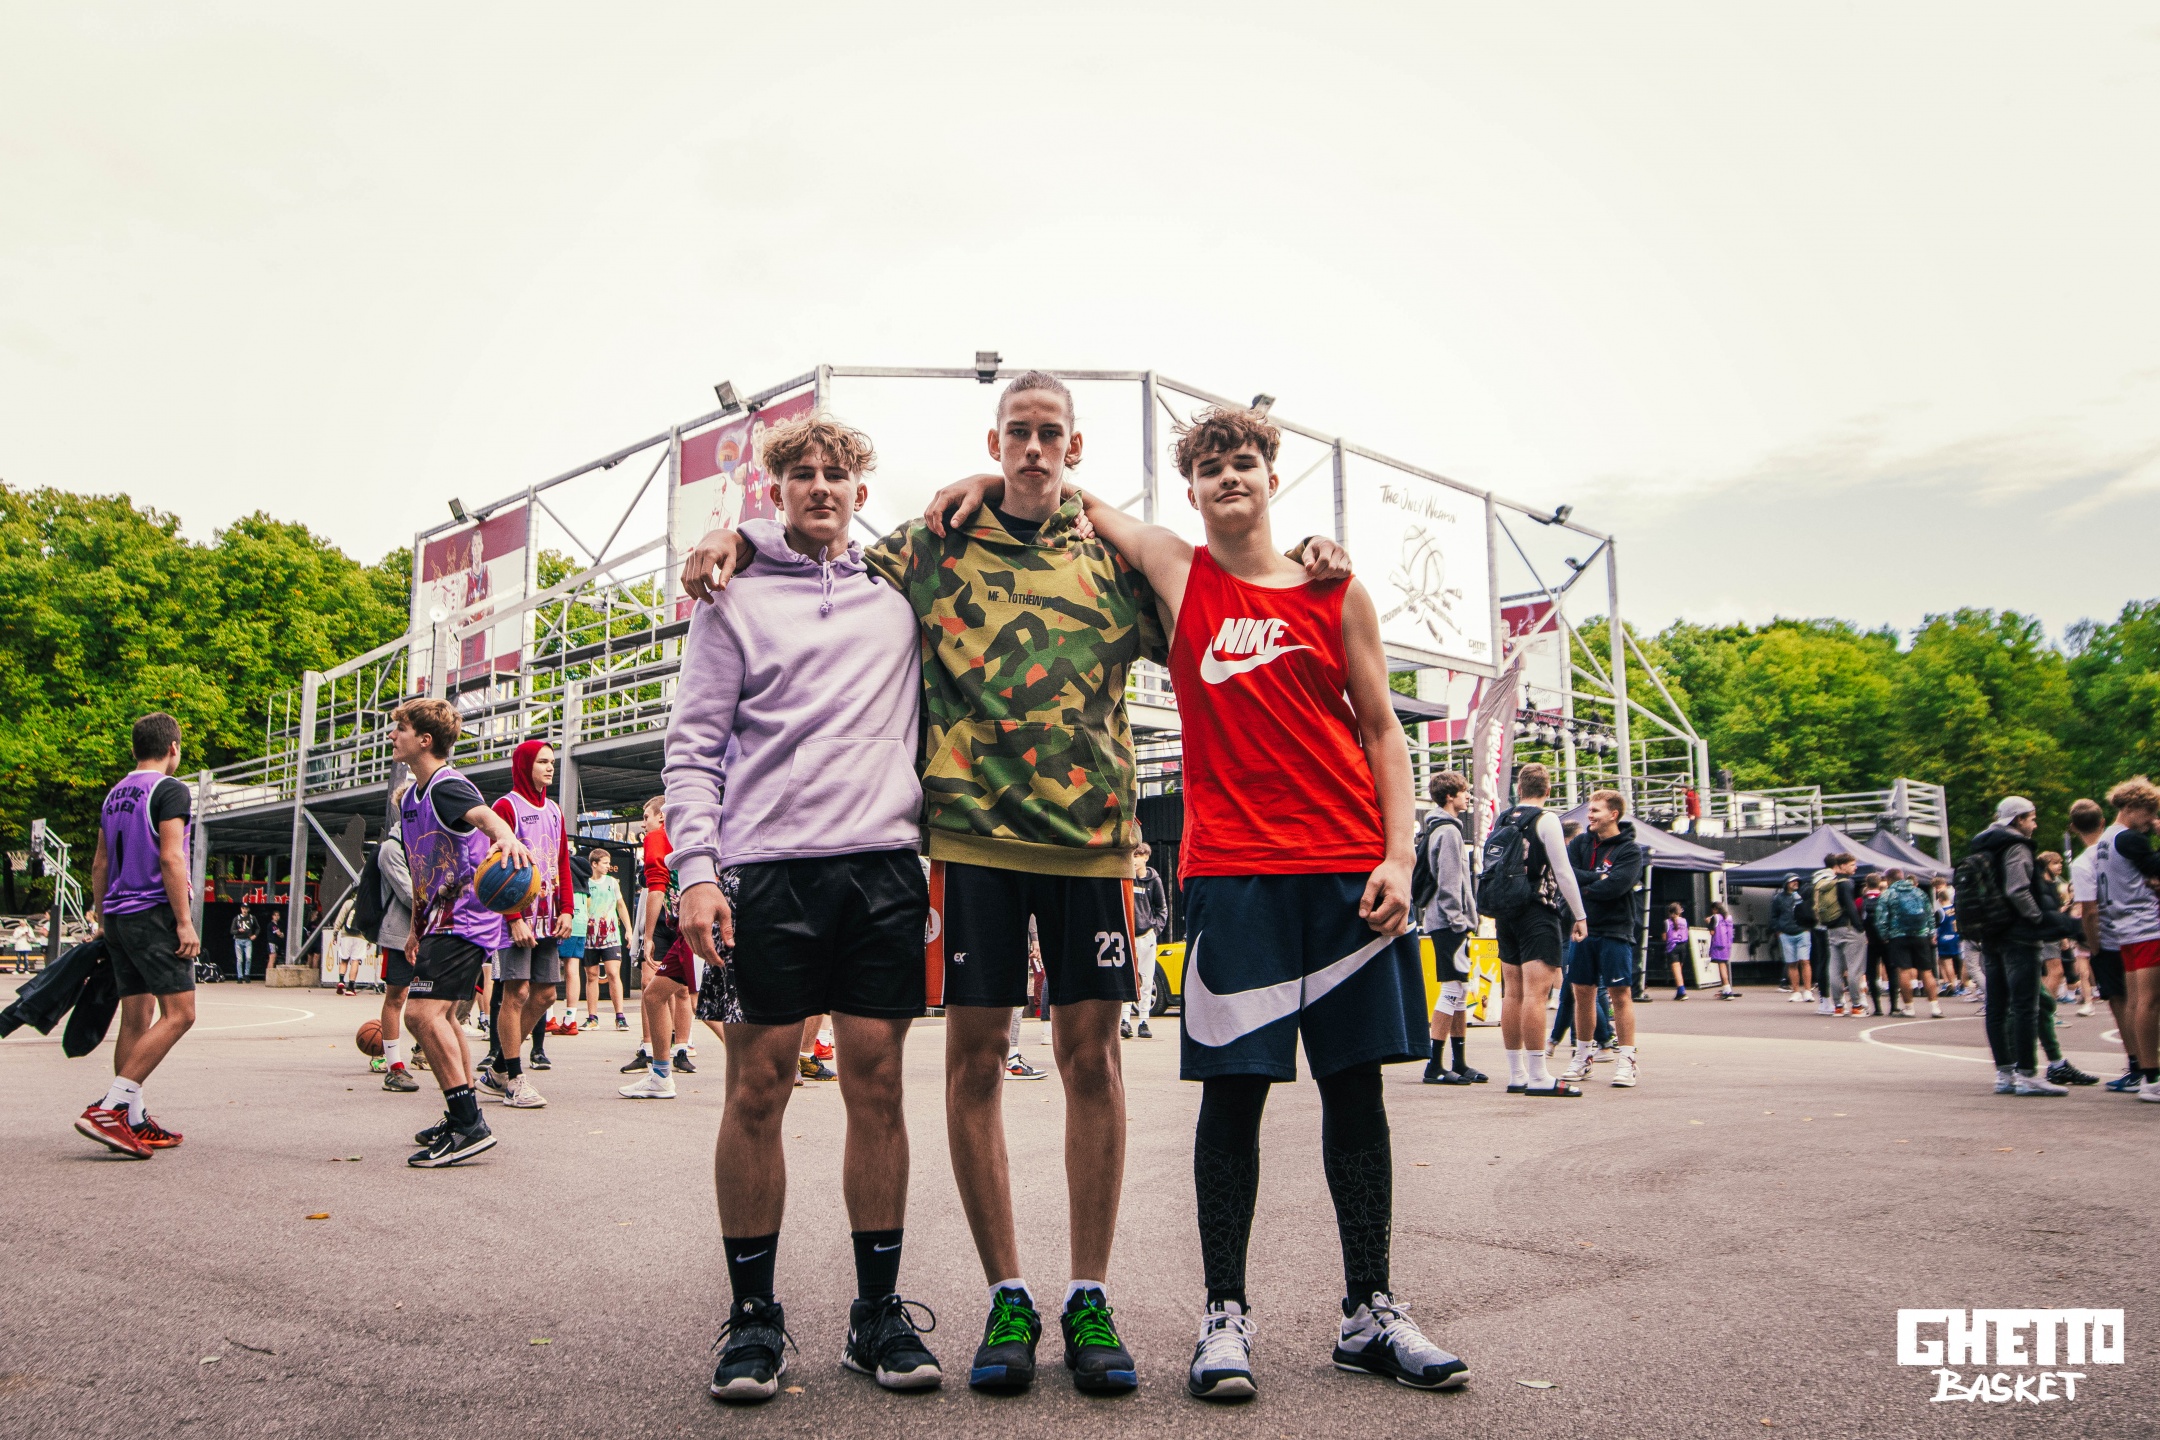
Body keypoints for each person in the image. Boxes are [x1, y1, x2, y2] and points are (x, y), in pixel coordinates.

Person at [686, 371, 1348, 1397]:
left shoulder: (1113, 559)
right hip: (964, 847)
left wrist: (1307, 559)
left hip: (1088, 847)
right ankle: (995, 1296)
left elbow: (1225, 588)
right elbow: (813, 547)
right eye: (1016, 434)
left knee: (1083, 1064)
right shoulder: (928, 550)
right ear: (993, 442)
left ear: (1073, 449)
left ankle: (1084, 1295)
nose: (1033, 448)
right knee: (957, 1067)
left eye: (1050, 434)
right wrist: (731, 538)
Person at [940, 402, 1461, 1399]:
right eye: (1212, 465)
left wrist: (1401, 858)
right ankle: (1225, 1315)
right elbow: (1070, 496)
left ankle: (1370, 1310)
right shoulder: (1179, 573)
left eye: (1245, 462)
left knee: (1357, 1094)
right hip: (1234, 876)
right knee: (1234, 1098)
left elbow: (1383, 731)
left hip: (1348, 872)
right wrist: (980, 482)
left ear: (1272, 478)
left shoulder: (1337, 590)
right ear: (1192, 490)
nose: (1230, 476)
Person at [667, 411, 942, 1400]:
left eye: (837, 474)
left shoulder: (900, 589)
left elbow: (998, 500)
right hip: (763, 872)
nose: (821, 486)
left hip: (881, 867)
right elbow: (693, 747)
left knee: (879, 1084)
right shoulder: (730, 597)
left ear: (862, 493)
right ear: (775, 491)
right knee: (757, 1087)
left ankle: (878, 1314)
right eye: (803, 474)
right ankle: (753, 1320)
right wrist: (695, 870)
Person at [390, 697, 534, 1166]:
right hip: (439, 920)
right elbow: (422, 869)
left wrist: (506, 837)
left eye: (400, 729)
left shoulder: (446, 786)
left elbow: (485, 817)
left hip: (465, 919)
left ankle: (469, 1124)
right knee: (446, 1017)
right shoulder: (412, 798)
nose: (393, 736)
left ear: (424, 740)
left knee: (421, 1015)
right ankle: (460, 1115)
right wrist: (416, 928)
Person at [75, 711, 201, 1159]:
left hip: (117, 915)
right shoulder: (170, 790)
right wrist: (184, 921)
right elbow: (171, 857)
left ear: (134, 749)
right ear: (173, 748)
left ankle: (130, 1118)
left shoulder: (115, 795)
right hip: (153, 914)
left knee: (136, 1017)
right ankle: (110, 1108)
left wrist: (102, 917)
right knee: (180, 1014)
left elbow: (100, 862)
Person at [1485, 764, 1589, 1095]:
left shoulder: (1503, 819)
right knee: (1535, 994)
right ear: (1548, 790)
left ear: (1519, 788)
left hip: (1506, 912)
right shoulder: (1546, 820)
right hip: (1537, 912)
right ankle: (1539, 1075)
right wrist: (1579, 915)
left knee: (1512, 993)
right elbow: (1563, 872)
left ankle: (1517, 1074)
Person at [1967, 796, 2067, 1097]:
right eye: (2031, 818)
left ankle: (2004, 1074)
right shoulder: (2017, 846)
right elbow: (2017, 889)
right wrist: (2038, 919)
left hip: (1991, 931)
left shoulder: (1983, 844)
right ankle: (2027, 1074)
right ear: (2018, 819)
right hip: (2019, 934)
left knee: (1997, 1006)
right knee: (2025, 1006)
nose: (2035, 824)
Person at [1559, 790, 1646, 1088]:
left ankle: (1627, 1061)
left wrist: (1584, 886)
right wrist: (1598, 878)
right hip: (1582, 929)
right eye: (1590, 810)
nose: (1590, 815)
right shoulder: (1580, 843)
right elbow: (1566, 876)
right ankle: (1583, 1057)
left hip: (1615, 929)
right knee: (1582, 993)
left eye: (1595, 810)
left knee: (1620, 994)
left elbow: (1616, 887)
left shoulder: (1630, 850)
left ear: (1613, 814)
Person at [2089, 779, 2160, 1101]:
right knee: (2149, 1002)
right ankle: (2152, 1078)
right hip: (2147, 926)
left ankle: (2144, 1072)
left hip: (2125, 927)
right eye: (2150, 812)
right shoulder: (2130, 839)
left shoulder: (2106, 839)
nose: (2152, 820)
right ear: (2131, 807)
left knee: (2135, 1001)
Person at [1419, 770, 1486, 1085]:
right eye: (1464, 791)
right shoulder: (1448, 832)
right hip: (1449, 923)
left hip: (1445, 921)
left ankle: (1458, 1062)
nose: (1468, 796)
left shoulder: (1441, 829)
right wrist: (1460, 921)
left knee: (1459, 990)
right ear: (1450, 796)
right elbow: (1448, 882)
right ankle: (1435, 1065)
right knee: (1451, 989)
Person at [2067, 799, 2138, 1091]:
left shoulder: (2084, 862)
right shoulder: (2121, 848)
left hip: (2110, 939)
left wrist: (2093, 945)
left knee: (2122, 1004)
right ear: (2102, 822)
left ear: (2073, 828)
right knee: (2146, 1002)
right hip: (2138, 932)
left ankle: (2138, 1065)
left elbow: (2089, 910)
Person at [375, 822, 421, 1092]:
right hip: (399, 934)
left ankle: (426, 1050)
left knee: (437, 1000)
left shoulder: (433, 840)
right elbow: (407, 893)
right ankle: (394, 1066)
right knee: (397, 997)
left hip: (433, 931)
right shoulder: (392, 848)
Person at [1873, 867, 1942, 1019]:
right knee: (1926, 971)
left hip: (1898, 936)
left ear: (1889, 879)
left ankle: (1909, 1007)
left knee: (1903, 971)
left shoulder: (1888, 894)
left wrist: (1885, 935)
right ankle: (1935, 1007)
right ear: (1902, 877)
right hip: (1920, 935)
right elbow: (1930, 914)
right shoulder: (1919, 892)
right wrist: (1931, 933)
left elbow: (1881, 919)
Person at [582, 846, 633, 1030]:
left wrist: (628, 929)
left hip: (611, 935)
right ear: (594, 864)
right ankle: (592, 1018)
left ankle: (620, 1017)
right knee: (591, 975)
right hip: (590, 936)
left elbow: (621, 905)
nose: (608, 866)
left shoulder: (612, 882)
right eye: (604, 863)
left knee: (613, 973)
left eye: (609, 863)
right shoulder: (585, 883)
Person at [1123, 844, 1167, 1041]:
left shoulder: (1154, 880)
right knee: (1127, 978)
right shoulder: (1126, 877)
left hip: (1146, 935)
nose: (1134, 859)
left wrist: (1154, 930)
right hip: (1128, 936)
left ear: (1146, 857)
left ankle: (1143, 1021)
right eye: (1133, 855)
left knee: (1147, 979)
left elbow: (1161, 908)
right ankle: (1125, 1020)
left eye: (1138, 856)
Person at [1816, 854, 1866, 1018]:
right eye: (1852, 865)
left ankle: (1838, 1005)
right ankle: (1856, 1005)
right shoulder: (1846, 883)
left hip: (1832, 928)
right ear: (1842, 866)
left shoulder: (1830, 883)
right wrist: (1860, 927)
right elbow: (1850, 906)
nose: (1855, 868)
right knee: (1854, 968)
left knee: (1834, 968)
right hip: (1848, 928)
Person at [1770, 878, 1810, 1001]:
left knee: (1805, 961)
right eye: (1792, 881)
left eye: (1797, 881)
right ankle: (1796, 991)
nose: (1796, 883)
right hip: (1786, 934)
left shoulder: (1803, 894)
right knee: (1791, 963)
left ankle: (1807, 991)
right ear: (1786, 883)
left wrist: (1808, 927)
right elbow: (1774, 915)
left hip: (1803, 931)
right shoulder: (1778, 898)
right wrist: (1778, 931)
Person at [1661, 903, 1689, 1000]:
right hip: (1683, 946)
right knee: (1680, 970)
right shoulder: (1684, 921)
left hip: (1673, 947)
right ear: (1679, 911)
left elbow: (1664, 937)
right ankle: (1679, 991)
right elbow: (1687, 933)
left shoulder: (1667, 922)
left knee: (1676, 971)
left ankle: (1682, 992)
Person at [1707, 902, 1736, 998]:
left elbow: (1712, 932)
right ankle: (1725, 988)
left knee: (1721, 966)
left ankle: (1727, 990)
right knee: (1724, 965)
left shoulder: (1715, 917)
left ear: (1715, 909)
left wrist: (1709, 922)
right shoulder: (1729, 917)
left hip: (1718, 944)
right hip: (1727, 945)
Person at [230, 907, 258, 984]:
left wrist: (255, 935)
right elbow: (232, 931)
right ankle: (240, 976)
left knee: (248, 957)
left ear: (248, 910)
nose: (244, 910)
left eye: (246, 909)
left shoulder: (251, 917)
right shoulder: (237, 918)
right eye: (243, 908)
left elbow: (258, 928)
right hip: (238, 940)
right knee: (239, 959)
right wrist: (238, 931)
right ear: (241, 909)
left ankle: (247, 974)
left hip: (248, 940)